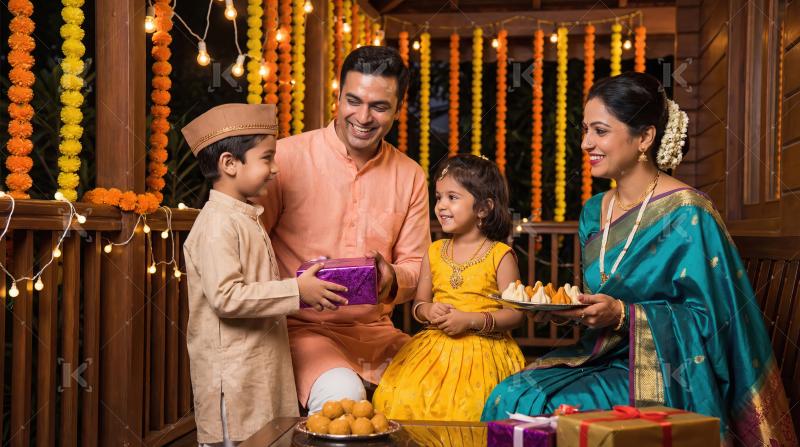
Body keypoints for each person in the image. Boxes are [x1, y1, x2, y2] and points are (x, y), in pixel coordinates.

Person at [481, 72, 798, 446]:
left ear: (645, 137)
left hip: (668, 371)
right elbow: (595, 298)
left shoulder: (688, 213)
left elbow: (712, 321)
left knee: (546, 408)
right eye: (584, 130)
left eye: (600, 131)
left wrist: (624, 314)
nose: (585, 143)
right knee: (510, 395)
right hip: (601, 356)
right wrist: (569, 309)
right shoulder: (593, 211)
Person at [256, 46, 430, 413]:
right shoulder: (285, 159)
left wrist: (390, 278)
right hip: (301, 330)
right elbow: (250, 246)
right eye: (353, 100)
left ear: (398, 110)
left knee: (441, 383)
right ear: (337, 97)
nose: (363, 117)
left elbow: (417, 265)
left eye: (379, 107)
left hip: (378, 334)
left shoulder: (411, 175)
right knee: (344, 397)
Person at [181, 104, 348, 445]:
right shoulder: (217, 224)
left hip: (260, 370)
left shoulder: (244, 217)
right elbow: (226, 296)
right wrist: (296, 291)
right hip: (235, 378)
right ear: (229, 164)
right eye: (266, 158)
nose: (275, 169)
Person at [373, 155, 526, 421]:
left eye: (452, 198)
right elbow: (419, 305)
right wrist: (429, 311)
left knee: (471, 406)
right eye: (438, 197)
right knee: (403, 396)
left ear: (484, 208)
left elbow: (515, 314)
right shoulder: (433, 252)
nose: (441, 206)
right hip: (434, 349)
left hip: (485, 352)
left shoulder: (500, 255)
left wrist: (468, 320)